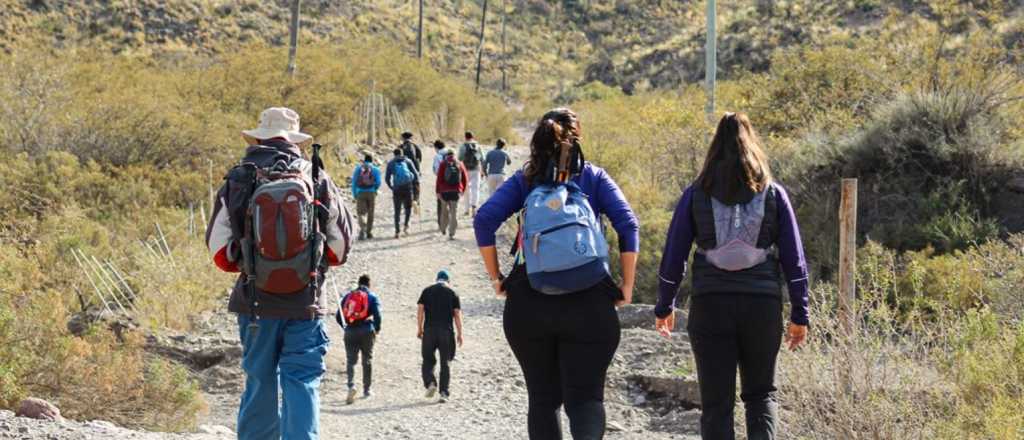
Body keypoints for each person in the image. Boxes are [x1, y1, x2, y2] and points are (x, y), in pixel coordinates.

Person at [473, 108, 640, 440]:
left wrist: (497, 278)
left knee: (543, 399)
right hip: (591, 302)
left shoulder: (525, 180)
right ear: (577, 139)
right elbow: (628, 225)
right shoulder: (594, 177)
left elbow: (484, 220)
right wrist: (627, 286)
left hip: (529, 301)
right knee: (586, 398)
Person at [654, 112, 810, 440]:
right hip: (762, 306)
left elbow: (674, 256)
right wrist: (800, 313)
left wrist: (665, 305)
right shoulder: (774, 194)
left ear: (714, 148)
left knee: (716, 404)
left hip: (711, 305)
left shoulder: (695, 194)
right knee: (761, 394)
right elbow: (794, 260)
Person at [206, 107, 353, 440]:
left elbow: (219, 251)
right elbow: (341, 247)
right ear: (296, 141)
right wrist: (307, 263)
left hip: (255, 303)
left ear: (259, 138)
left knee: (260, 382)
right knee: (301, 381)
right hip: (306, 302)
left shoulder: (239, 178)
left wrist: (252, 264)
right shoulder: (316, 177)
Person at [416, 270, 463, 403]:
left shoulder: (427, 291)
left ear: (436, 279)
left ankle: (430, 382)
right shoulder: (453, 293)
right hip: (446, 332)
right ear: (448, 281)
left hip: (429, 331)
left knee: (427, 359)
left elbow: (420, 310)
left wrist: (420, 328)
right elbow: (457, 315)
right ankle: (443, 393)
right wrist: (460, 333)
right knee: (445, 363)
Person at [335, 274, 382, 405]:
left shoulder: (348, 296)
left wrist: (346, 327)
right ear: (369, 284)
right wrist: (377, 328)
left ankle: (351, 386)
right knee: (367, 360)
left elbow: (338, 315)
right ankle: (367, 390)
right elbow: (378, 315)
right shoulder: (372, 297)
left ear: (358, 283)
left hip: (350, 331)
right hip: (367, 331)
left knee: (351, 361)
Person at [385, 148, 420, 238]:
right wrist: (415, 186)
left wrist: (391, 187)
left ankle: (397, 231)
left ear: (394, 154)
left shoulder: (391, 163)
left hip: (397, 189)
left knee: (397, 210)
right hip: (408, 188)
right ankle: (406, 226)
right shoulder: (408, 161)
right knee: (408, 208)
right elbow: (416, 174)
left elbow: (387, 178)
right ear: (402, 153)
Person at [435, 149, 469, 240]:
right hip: (456, 191)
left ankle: (443, 228)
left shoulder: (443, 164)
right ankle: (452, 233)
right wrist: (462, 190)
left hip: (444, 191)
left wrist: (437, 191)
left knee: (444, 210)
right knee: (454, 212)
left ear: (447, 155)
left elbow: (439, 179)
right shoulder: (460, 163)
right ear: (454, 155)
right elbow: (465, 179)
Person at [351, 153, 382, 240]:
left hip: (360, 192)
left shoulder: (358, 168)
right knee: (370, 213)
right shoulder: (375, 169)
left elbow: (354, 183)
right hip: (371, 193)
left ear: (364, 160)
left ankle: (362, 229)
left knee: (360, 213)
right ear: (372, 160)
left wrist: (354, 194)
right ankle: (369, 233)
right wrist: (375, 189)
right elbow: (379, 182)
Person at [458, 131, 485, 217]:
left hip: (465, 170)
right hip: (476, 170)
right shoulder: (477, 146)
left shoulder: (463, 146)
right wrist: (483, 171)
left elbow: (459, 158)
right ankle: (474, 208)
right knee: (475, 189)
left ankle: (467, 210)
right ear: (473, 137)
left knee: (466, 189)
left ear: (465, 137)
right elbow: (481, 159)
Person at [432, 140, 454, 231]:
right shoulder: (451, 153)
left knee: (441, 203)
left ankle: (441, 224)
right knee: (452, 202)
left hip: (442, 182)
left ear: (436, 147)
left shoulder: (438, 156)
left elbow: (436, 170)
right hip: (453, 182)